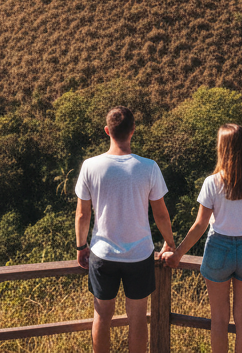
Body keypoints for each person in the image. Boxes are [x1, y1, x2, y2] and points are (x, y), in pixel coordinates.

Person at [75, 106, 176, 353]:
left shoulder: (90, 166)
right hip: (139, 254)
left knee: (102, 315)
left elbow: (82, 214)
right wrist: (170, 243)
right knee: (138, 318)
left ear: (107, 131)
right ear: (133, 131)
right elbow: (160, 213)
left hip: (102, 253)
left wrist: (81, 246)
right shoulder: (148, 167)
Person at [162, 124, 242, 353]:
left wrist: (178, 254)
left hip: (218, 248)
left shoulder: (212, 183)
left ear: (223, 149)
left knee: (219, 320)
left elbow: (200, 225)